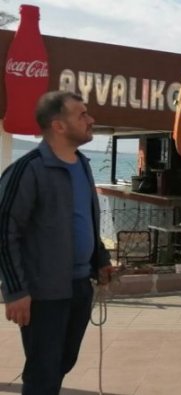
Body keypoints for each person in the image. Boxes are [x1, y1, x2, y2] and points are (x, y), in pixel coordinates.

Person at [0, 91, 112, 395]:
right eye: (82, 115)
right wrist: (15, 291)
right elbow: (4, 230)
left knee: (63, 362)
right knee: (43, 371)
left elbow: (86, 218)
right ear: (58, 125)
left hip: (78, 286)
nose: (91, 120)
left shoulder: (82, 165)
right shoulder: (28, 169)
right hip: (43, 293)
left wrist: (100, 258)